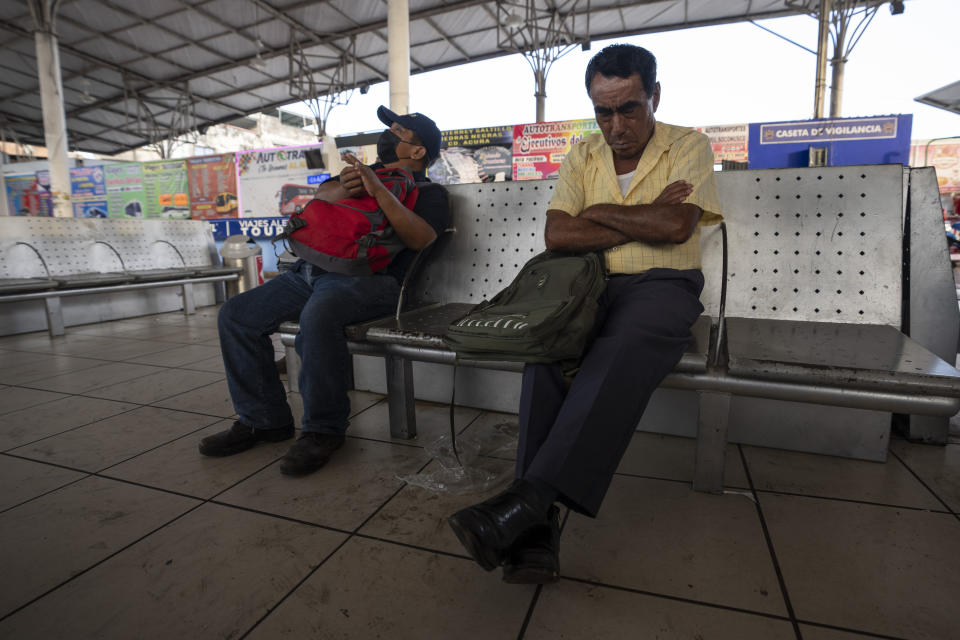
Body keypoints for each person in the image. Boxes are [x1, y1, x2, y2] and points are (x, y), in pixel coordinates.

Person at [448, 44, 723, 584]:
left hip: (662, 285)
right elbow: (558, 234)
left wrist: (598, 214)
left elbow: (675, 229)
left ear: (654, 97)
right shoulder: (582, 155)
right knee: (548, 352)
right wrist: (636, 215)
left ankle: (528, 508)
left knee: (624, 345)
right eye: (604, 111)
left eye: (630, 108)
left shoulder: (688, 144)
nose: (616, 125)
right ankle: (532, 522)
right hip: (584, 285)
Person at [199, 107, 451, 476]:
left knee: (318, 318)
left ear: (417, 151)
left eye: (399, 132)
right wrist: (344, 186)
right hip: (307, 271)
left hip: (371, 281)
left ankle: (323, 430)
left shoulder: (430, 192)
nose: (389, 136)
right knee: (236, 315)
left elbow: (421, 238)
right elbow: (321, 199)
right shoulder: (360, 176)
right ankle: (263, 419)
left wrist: (380, 191)